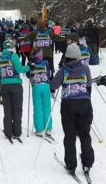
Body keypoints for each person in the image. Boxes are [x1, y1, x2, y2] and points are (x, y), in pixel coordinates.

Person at [50, 43, 94, 175]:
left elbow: (53, 86)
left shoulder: (63, 70)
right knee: (84, 134)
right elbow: (89, 85)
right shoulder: (85, 68)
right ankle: (87, 163)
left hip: (68, 105)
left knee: (70, 136)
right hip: (84, 104)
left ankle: (71, 164)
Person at [0, 39, 29, 140]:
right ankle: (17, 132)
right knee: (17, 108)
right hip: (15, 84)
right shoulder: (13, 56)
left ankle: (8, 131)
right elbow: (19, 69)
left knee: (7, 109)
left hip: (4, 85)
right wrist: (28, 67)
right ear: (11, 47)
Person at [28, 47, 53, 138]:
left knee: (38, 107)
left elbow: (28, 75)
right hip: (46, 85)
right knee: (47, 106)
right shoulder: (46, 63)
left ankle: (39, 129)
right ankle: (48, 127)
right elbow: (50, 74)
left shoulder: (31, 64)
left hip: (36, 86)